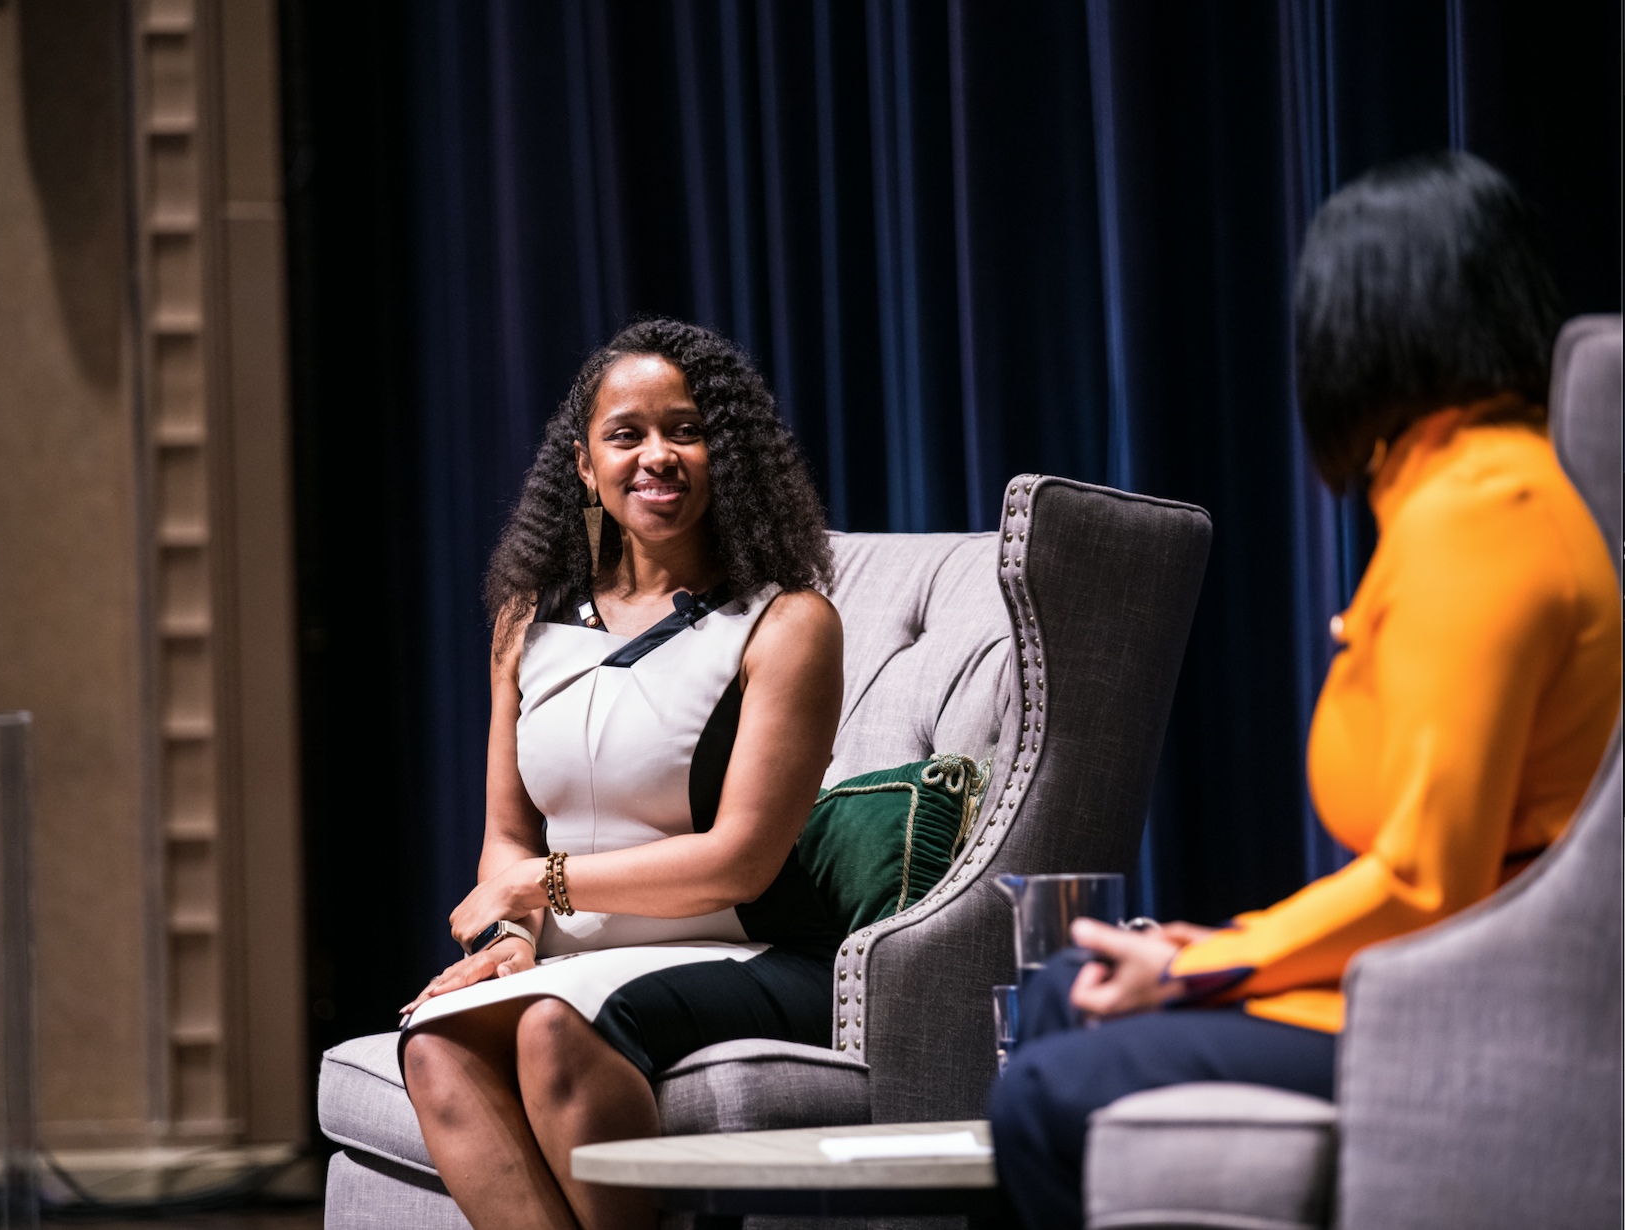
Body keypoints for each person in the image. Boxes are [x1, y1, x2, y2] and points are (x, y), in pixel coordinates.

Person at [988, 151, 1622, 1229]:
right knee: (1056, 995)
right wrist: (1209, 952)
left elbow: (1429, 882)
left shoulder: (1478, 513)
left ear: (1358, 325)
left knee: (1046, 1095)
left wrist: (1208, 967)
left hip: (1474, 1011)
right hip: (1449, 970)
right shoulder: (1478, 484)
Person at [397, 319, 845, 1230]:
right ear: (584, 463)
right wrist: (514, 940)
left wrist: (542, 885)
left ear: (729, 452)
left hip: (746, 950)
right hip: (575, 958)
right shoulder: (527, 619)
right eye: (627, 434)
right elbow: (510, 835)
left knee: (553, 1025)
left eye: (686, 429)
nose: (659, 457)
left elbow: (739, 864)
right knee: (435, 1043)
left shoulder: (787, 622)